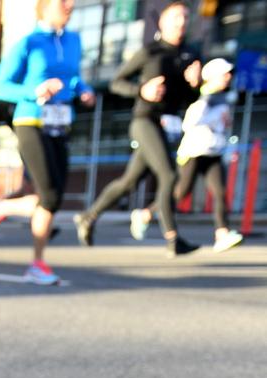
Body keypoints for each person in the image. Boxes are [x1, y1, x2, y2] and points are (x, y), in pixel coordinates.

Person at [74, 1, 201, 257]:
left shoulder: (190, 55)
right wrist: (141, 90)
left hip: (167, 125)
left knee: (129, 182)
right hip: (144, 121)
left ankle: (88, 216)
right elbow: (116, 83)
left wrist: (195, 85)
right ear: (162, 22)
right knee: (169, 175)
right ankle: (172, 238)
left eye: (186, 16)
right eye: (176, 16)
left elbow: (189, 100)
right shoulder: (150, 52)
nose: (182, 21)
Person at [0, 0, 95, 285]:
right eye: (63, 1)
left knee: (54, 198)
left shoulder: (74, 40)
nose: (70, 5)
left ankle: (4, 212)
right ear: (43, 8)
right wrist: (35, 91)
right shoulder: (28, 42)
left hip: (59, 122)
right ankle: (35, 260)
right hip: (30, 121)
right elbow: (1, 87)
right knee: (49, 196)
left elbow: (74, 78)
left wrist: (84, 90)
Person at [131, 58, 242, 253]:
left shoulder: (222, 97)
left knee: (220, 192)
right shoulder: (204, 98)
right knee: (180, 193)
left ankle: (222, 234)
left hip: (213, 152)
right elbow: (189, 124)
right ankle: (146, 214)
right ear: (212, 77)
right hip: (194, 152)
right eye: (224, 74)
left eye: (229, 74)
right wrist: (209, 124)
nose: (228, 77)